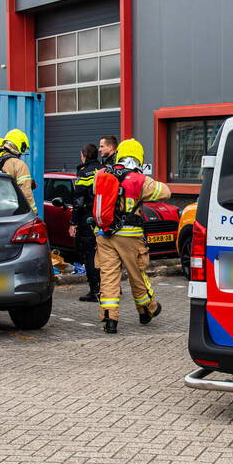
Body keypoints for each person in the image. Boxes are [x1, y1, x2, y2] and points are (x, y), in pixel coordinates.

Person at [92, 138, 171, 334]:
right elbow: (166, 193)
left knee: (108, 276)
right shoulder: (140, 179)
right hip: (130, 236)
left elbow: (96, 192)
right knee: (137, 274)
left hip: (104, 233)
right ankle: (147, 309)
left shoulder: (101, 173)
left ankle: (110, 319)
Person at [69, 143, 104, 302]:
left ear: (84, 155)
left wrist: (73, 222)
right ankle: (108, 287)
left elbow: (79, 201)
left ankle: (94, 290)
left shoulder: (84, 173)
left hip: (87, 219)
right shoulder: (104, 169)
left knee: (89, 254)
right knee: (105, 253)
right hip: (104, 217)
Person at [0, 129, 36, 212]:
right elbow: (26, 193)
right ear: (20, 145)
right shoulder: (19, 165)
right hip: (12, 212)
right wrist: (33, 212)